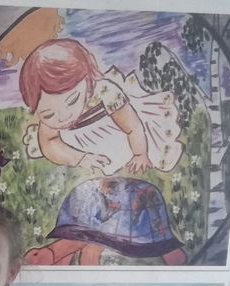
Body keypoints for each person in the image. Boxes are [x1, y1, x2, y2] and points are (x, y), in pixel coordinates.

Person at [16, 37, 186, 267]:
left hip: (117, 141)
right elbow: (49, 142)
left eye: (72, 101)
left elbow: (133, 126)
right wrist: (80, 157)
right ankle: (65, 258)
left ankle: (173, 257)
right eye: (48, 114)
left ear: (88, 82)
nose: (63, 116)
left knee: (132, 198)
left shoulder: (105, 93)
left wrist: (140, 154)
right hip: (87, 160)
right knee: (88, 206)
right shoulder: (51, 120)